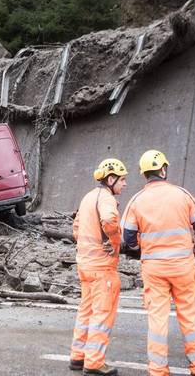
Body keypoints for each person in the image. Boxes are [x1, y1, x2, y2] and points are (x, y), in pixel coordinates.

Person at [121, 150, 195, 376]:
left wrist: (141, 248)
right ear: (163, 170)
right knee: (190, 317)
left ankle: (158, 370)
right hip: (183, 266)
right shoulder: (182, 194)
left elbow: (128, 237)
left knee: (157, 320)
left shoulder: (136, 200)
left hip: (154, 269)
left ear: (144, 175)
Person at [69, 158, 128, 376]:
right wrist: (113, 243)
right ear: (110, 179)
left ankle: (78, 356)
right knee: (102, 314)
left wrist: (89, 243)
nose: (124, 184)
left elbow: (76, 227)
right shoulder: (106, 199)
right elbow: (110, 220)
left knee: (86, 310)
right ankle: (94, 363)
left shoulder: (88, 197)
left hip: (85, 264)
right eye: (122, 180)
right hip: (102, 267)